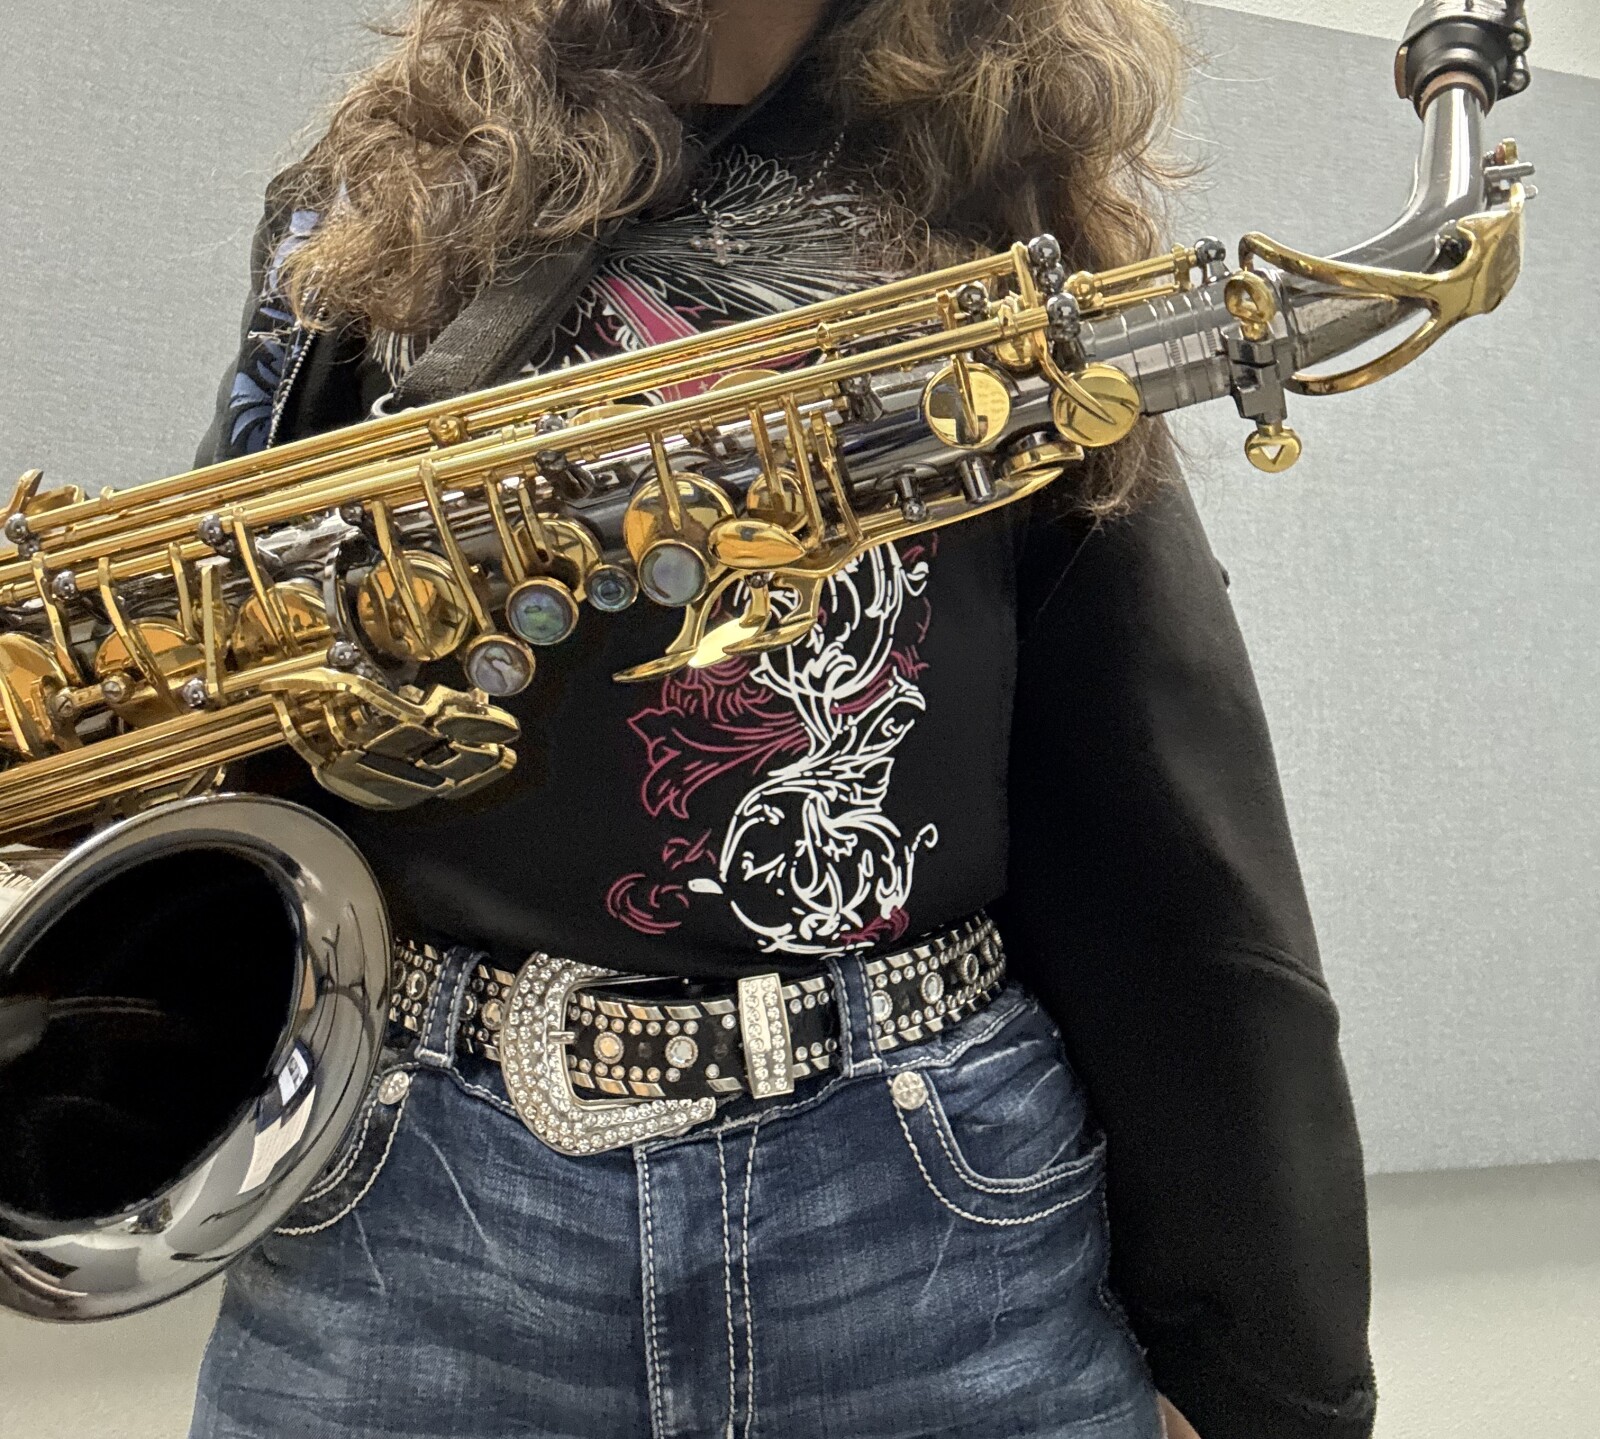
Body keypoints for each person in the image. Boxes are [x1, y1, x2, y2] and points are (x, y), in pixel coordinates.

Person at [188, 2, 1376, 1436]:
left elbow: (1150, 778)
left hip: (931, 1204)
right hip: (418, 1207)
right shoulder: (376, 189)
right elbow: (213, 675)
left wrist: (1257, 1360)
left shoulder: (1006, 203)